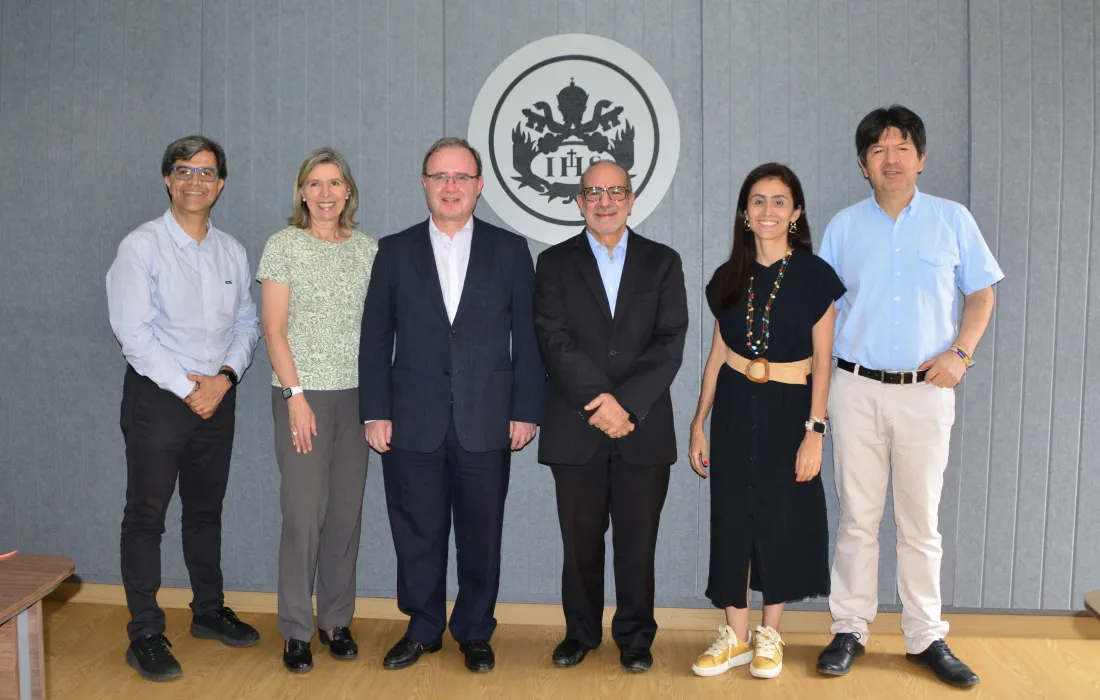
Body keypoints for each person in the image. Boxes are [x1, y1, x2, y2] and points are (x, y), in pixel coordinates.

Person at [816, 105, 1003, 688]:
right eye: (878, 150)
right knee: (858, 518)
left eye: (901, 148)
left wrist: (960, 354)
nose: (890, 159)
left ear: (921, 159)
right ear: (863, 164)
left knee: (921, 522)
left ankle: (925, 636)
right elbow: (824, 311)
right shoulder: (844, 227)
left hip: (926, 392)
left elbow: (981, 294)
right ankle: (850, 628)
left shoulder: (952, 220)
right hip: (855, 388)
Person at [358, 137, 544, 673]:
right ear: (424, 184)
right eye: (440, 176)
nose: (450, 186)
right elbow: (376, 336)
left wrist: (526, 409)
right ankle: (422, 627)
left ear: (479, 186)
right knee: (416, 532)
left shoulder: (511, 250)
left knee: (482, 534)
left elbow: (528, 338)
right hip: (411, 419)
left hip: (487, 417)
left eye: (461, 177)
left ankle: (475, 631)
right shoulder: (394, 250)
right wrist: (375, 411)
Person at [106, 135, 262, 682]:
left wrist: (224, 379)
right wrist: (187, 388)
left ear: (220, 185)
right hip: (159, 398)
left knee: (205, 511)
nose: (195, 180)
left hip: (217, 396)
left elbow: (248, 324)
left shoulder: (232, 251)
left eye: (206, 172)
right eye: (183, 170)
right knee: (146, 516)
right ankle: (146, 633)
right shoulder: (141, 246)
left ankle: (208, 612)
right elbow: (132, 331)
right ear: (168, 181)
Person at [688, 163, 845, 680]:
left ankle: (769, 633)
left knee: (779, 517)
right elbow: (717, 356)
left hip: (789, 411)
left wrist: (814, 433)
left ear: (796, 213)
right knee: (732, 517)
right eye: (758, 201)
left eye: (780, 201)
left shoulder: (816, 276)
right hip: (734, 408)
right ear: (745, 213)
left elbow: (823, 362)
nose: (769, 210)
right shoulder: (728, 277)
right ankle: (734, 635)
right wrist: (698, 422)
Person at [534, 160, 689, 673]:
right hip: (576, 425)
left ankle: (635, 637)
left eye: (615, 192)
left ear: (631, 199)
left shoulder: (662, 262)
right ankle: (580, 632)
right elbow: (553, 339)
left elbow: (670, 342)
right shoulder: (553, 263)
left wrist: (625, 406)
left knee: (637, 543)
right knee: (579, 542)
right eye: (594, 193)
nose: (605, 202)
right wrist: (600, 404)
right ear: (580, 202)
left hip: (642, 426)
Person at [257, 147, 378, 673]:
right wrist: (296, 397)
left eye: (334, 183)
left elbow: (380, 330)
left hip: (357, 399)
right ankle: (295, 630)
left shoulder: (368, 250)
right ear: (302, 193)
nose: (325, 193)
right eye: (315, 184)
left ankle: (335, 621)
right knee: (305, 515)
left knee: (345, 516)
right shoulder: (284, 245)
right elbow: (273, 330)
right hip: (302, 397)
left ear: (348, 191)